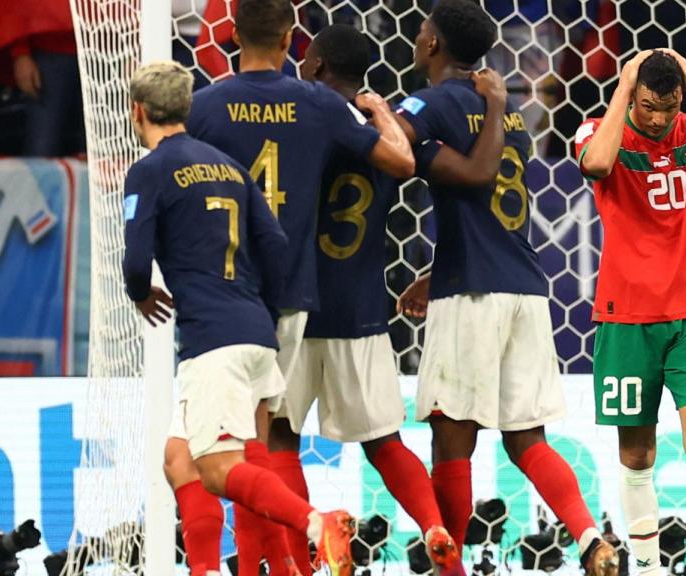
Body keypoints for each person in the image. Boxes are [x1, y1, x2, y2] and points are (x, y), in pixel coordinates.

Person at [184, 1, 414, 574]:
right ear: (291, 38)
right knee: (260, 435)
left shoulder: (206, 106)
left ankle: (272, 564)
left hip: (222, 288)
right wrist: (380, 111)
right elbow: (402, 162)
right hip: (289, 293)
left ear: (231, 34)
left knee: (229, 448)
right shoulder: (317, 103)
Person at [392, 1, 620, 574]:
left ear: (434, 46)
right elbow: (485, 211)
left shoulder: (439, 99)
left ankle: (452, 570)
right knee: (527, 439)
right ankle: (590, 537)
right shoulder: (510, 112)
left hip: (471, 296)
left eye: (422, 33)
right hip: (522, 286)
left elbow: (394, 135)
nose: (418, 40)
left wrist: (364, 107)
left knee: (452, 440)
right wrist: (433, 270)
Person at [121, 60, 353, 576]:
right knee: (182, 460)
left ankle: (318, 527)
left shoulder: (150, 170)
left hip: (213, 342)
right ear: (185, 107)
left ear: (138, 111)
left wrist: (140, 293)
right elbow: (274, 244)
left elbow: (136, 262)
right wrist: (262, 312)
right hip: (256, 331)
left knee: (221, 468)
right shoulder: (230, 168)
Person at [264, 23, 462, 576]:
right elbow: (407, 164)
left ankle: (302, 557)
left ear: (319, 65)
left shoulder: (301, 117)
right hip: (362, 308)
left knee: (280, 433)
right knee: (383, 441)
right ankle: (433, 526)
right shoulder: (385, 129)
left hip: (297, 303)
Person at [574, 49, 686, 576]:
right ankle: (649, 569)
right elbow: (598, 166)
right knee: (637, 454)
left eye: (668, 109)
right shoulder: (597, 131)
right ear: (633, 94)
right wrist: (622, 86)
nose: (659, 120)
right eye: (649, 107)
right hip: (626, 316)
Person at [0, 0, 85, 156]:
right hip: (47, 50)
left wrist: (133, 47)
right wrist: (20, 53)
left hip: (109, 46)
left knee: (109, 154)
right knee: (41, 148)